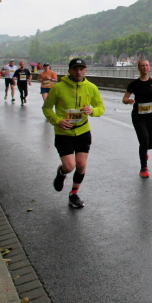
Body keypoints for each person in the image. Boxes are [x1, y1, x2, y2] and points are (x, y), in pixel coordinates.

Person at [42, 58, 105, 208]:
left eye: (81, 69)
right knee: (70, 166)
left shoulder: (91, 87)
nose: (78, 72)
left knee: (81, 165)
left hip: (83, 131)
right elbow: (46, 108)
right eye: (75, 69)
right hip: (64, 133)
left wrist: (92, 110)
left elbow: (101, 107)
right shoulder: (58, 88)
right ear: (69, 71)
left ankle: (74, 194)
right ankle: (62, 172)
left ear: (85, 71)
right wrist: (57, 121)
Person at [122, 60, 152, 178]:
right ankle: (143, 168)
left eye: (147, 65)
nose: (145, 67)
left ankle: (144, 152)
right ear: (139, 68)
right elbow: (124, 99)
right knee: (144, 141)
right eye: (142, 66)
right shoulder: (134, 84)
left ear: (149, 67)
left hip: (151, 117)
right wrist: (128, 101)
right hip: (138, 117)